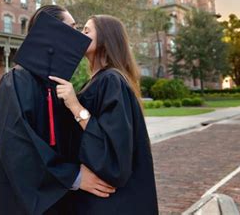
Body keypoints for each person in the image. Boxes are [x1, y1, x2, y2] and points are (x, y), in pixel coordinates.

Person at [0, 6, 116, 215]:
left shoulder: (57, 87)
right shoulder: (16, 81)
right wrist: (73, 176)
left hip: (60, 201)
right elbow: (19, 148)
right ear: (51, 31)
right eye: (72, 28)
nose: (78, 38)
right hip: (25, 205)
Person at [50, 15, 159, 214]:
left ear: (106, 38)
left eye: (86, 31)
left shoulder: (111, 80)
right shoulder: (100, 80)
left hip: (109, 202)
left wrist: (75, 106)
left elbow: (114, 153)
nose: (79, 35)